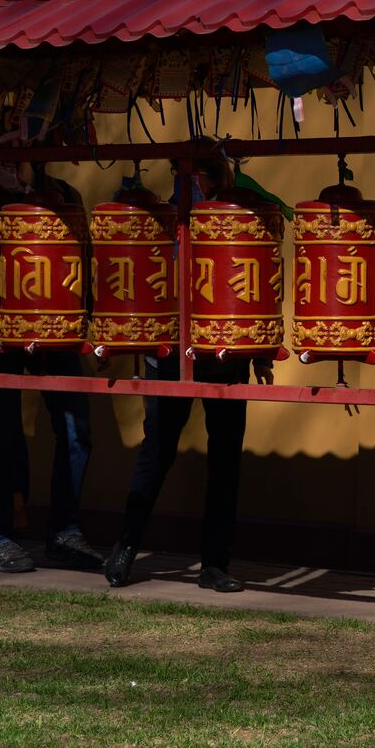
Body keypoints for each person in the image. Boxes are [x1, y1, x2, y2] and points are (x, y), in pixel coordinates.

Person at [104, 154, 273, 592]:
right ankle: (126, 545)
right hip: (173, 350)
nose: (194, 188)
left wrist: (259, 352)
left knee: (225, 460)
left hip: (226, 355)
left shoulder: (239, 217)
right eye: (189, 181)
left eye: (201, 180)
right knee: (156, 450)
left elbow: (254, 284)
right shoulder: (166, 221)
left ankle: (215, 563)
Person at [0, 127, 103, 573]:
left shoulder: (63, 193)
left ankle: (65, 531)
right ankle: (0, 535)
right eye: (5, 143)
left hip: (57, 322)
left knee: (76, 431)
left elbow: (83, 254)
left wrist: (88, 317)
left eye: (24, 144)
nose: (15, 154)